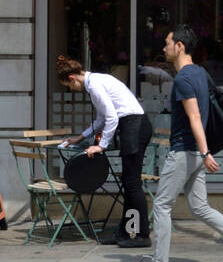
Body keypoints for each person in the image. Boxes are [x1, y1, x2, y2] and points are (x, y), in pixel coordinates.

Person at [131, 24, 223, 262]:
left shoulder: (183, 80)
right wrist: (204, 152)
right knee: (199, 207)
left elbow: (195, 117)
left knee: (161, 205)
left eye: (167, 42)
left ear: (180, 46)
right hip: (195, 153)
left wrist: (204, 153)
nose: (164, 47)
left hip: (185, 152)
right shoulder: (199, 73)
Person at [57, 55, 154, 248]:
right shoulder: (97, 81)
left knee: (132, 184)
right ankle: (125, 233)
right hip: (132, 127)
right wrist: (81, 137)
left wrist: (101, 146)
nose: (71, 90)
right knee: (129, 183)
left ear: (72, 78)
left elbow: (111, 117)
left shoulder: (94, 86)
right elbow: (102, 118)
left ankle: (142, 235)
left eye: (69, 86)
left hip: (134, 127)